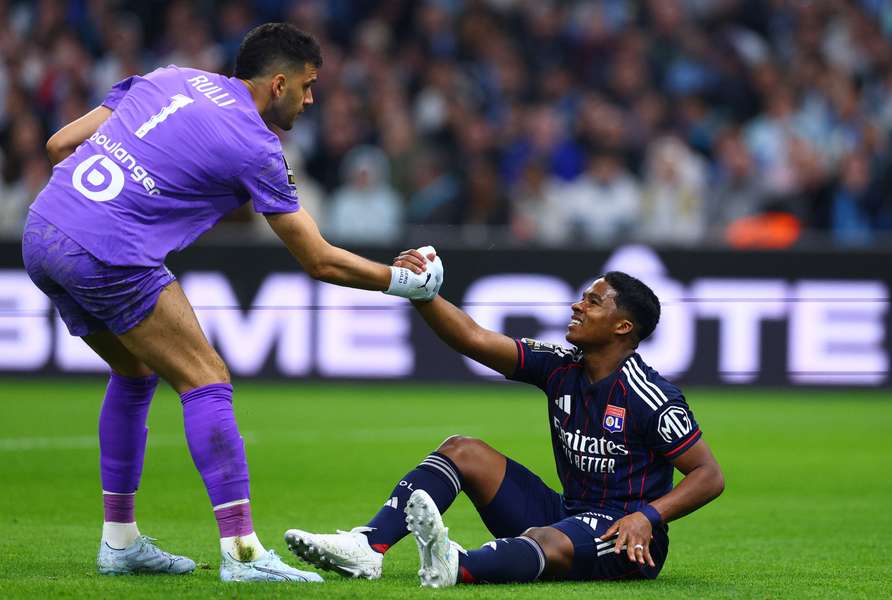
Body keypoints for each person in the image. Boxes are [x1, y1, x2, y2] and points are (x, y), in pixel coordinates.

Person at [21, 23, 443, 583]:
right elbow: (318, 260)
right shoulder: (256, 144)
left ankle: (120, 542)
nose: (310, 99)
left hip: (43, 228)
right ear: (277, 84)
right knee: (206, 379)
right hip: (108, 248)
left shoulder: (171, 77)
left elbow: (58, 145)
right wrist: (398, 280)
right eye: (307, 86)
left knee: (135, 369)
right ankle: (242, 553)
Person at [285, 266, 724, 586]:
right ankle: (368, 548)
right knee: (463, 449)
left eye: (593, 301)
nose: (577, 305)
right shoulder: (560, 367)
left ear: (623, 326)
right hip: (568, 511)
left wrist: (647, 517)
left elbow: (709, 476)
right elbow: (473, 338)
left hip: (623, 536)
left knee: (546, 539)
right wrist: (422, 295)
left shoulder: (651, 397)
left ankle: (458, 566)